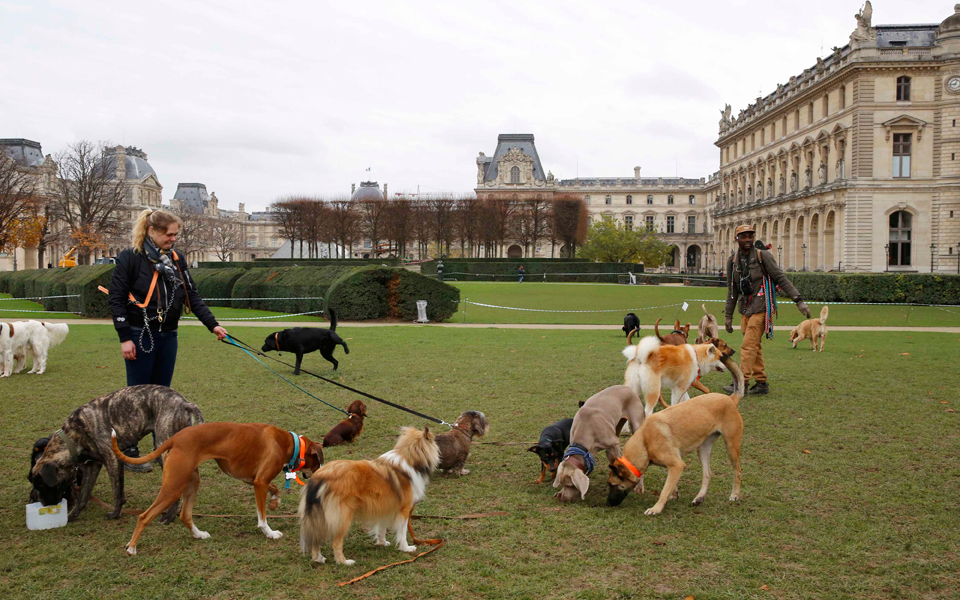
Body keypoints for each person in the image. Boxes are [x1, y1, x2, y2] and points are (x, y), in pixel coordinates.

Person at [108, 209, 227, 470]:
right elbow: (116, 299)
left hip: (168, 335)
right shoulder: (131, 258)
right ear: (152, 231)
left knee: (162, 396)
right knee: (137, 397)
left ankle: (160, 447)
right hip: (140, 334)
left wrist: (213, 324)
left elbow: (191, 296)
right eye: (169, 234)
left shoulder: (176, 259)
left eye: (175, 234)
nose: (173, 239)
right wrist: (125, 338)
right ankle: (129, 449)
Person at [723, 224, 809, 396]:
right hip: (745, 308)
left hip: (761, 306)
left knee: (748, 346)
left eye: (750, 236)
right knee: (755, 346)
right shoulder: (732, 261)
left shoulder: (763, 256)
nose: (747, 239)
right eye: (743, 236)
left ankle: (741, 383)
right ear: (736, 239)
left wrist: (798, 300)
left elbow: (781, 278)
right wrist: (728, 315)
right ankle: (761, 382)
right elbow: (732, 290)